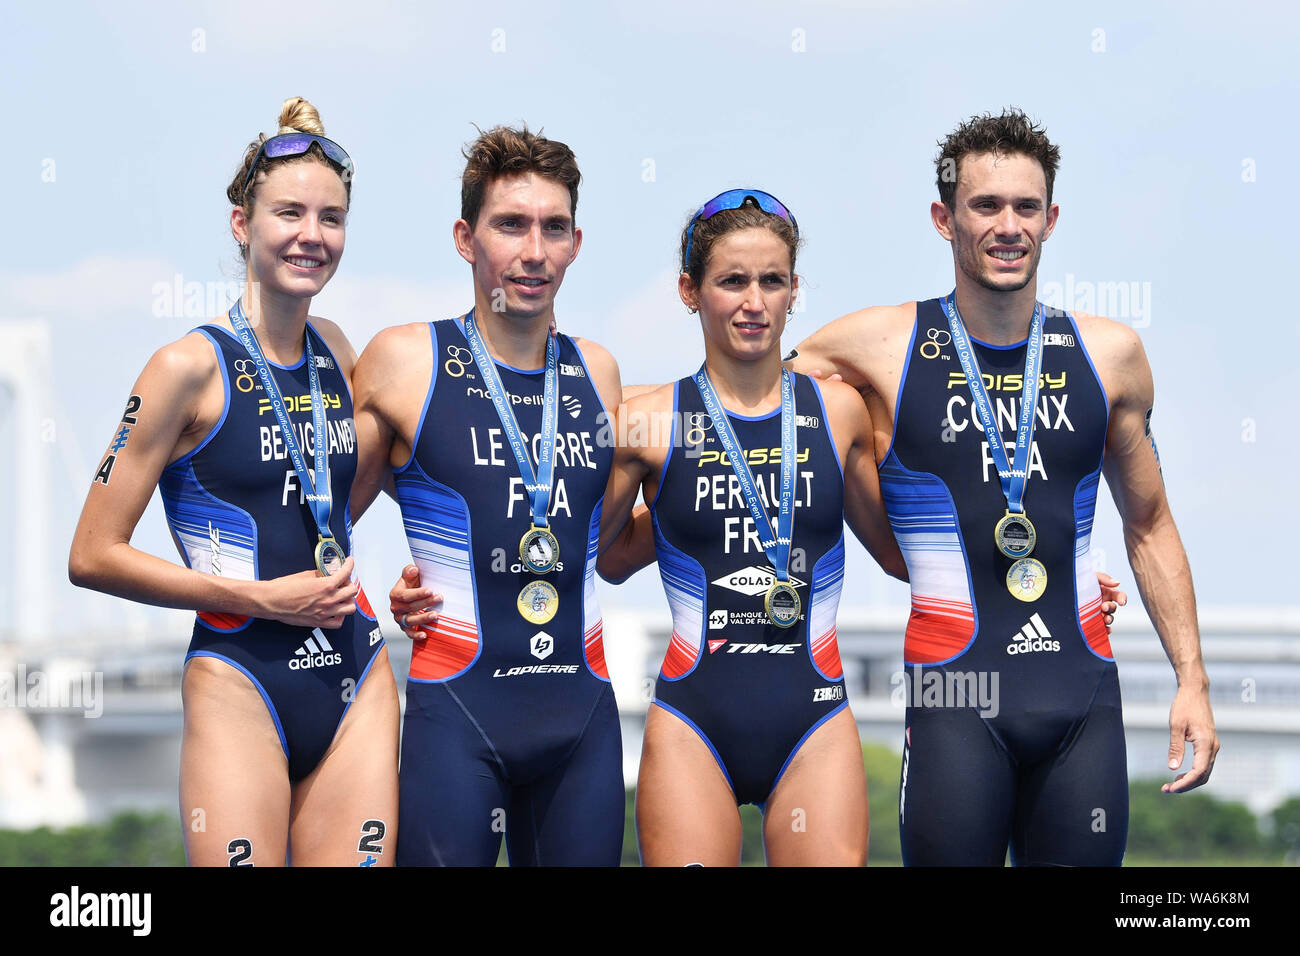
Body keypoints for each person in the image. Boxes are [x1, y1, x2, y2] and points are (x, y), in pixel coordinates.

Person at [789, 108, 1217, 865]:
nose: (1007, 225)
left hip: (1081, 695)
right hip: (955, 697)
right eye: (985, 205)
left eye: (1026, 206)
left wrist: (1192, 679)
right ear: (943, 218)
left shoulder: (1110, 355)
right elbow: (747, 404)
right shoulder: (878, 346)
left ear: (1051, 219)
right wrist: (881, 521)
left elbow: (1149, 524)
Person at [67, 98, 398, 867]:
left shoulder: (336, 348)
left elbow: (330, 502)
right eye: (290, 213)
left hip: (355, 669)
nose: (312, 236)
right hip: (240, 674)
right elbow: (91, 554)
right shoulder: (185, 368)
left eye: (331, 218)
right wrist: (261, 598)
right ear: (242, 224)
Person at [592, 189, 907, 866]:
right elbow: (608, 559)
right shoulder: (645, 420)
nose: (753, 302)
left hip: (813, 717)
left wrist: (1059, 575)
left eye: (772, 281)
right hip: (692, 718)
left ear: (795, 290)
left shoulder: (841, 411)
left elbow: (899, 552)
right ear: (690, 290)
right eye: (731, 281)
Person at [352, 126, 626, 866]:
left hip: (583, 718)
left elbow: (602, 534)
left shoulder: (599, 372)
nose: (533, 251)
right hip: (459, 715)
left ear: (575, 242)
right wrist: (388, 594)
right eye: (511, 225)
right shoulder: (405, 361)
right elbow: (316, 521)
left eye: (553, 228)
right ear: (465, 238)